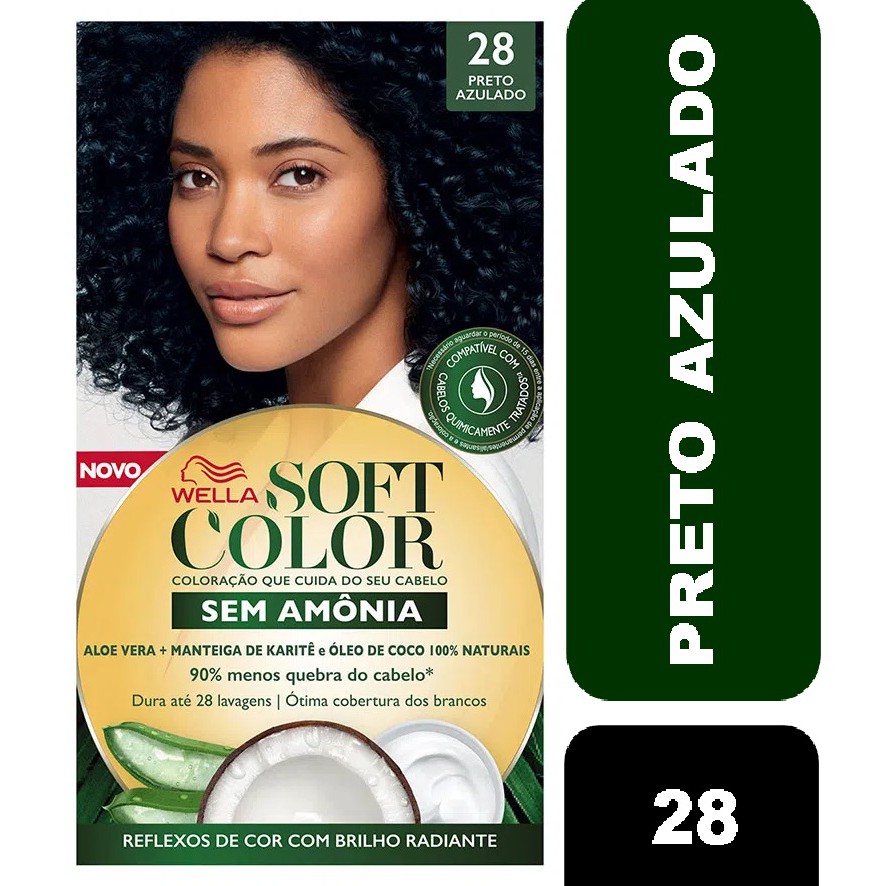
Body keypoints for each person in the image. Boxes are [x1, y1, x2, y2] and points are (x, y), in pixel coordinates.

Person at [77, 22, 542, 555]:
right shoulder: (252, 468)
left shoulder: (430, 502)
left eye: (299, 175)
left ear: (417, 192)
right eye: (197, 177)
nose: (228, 238)